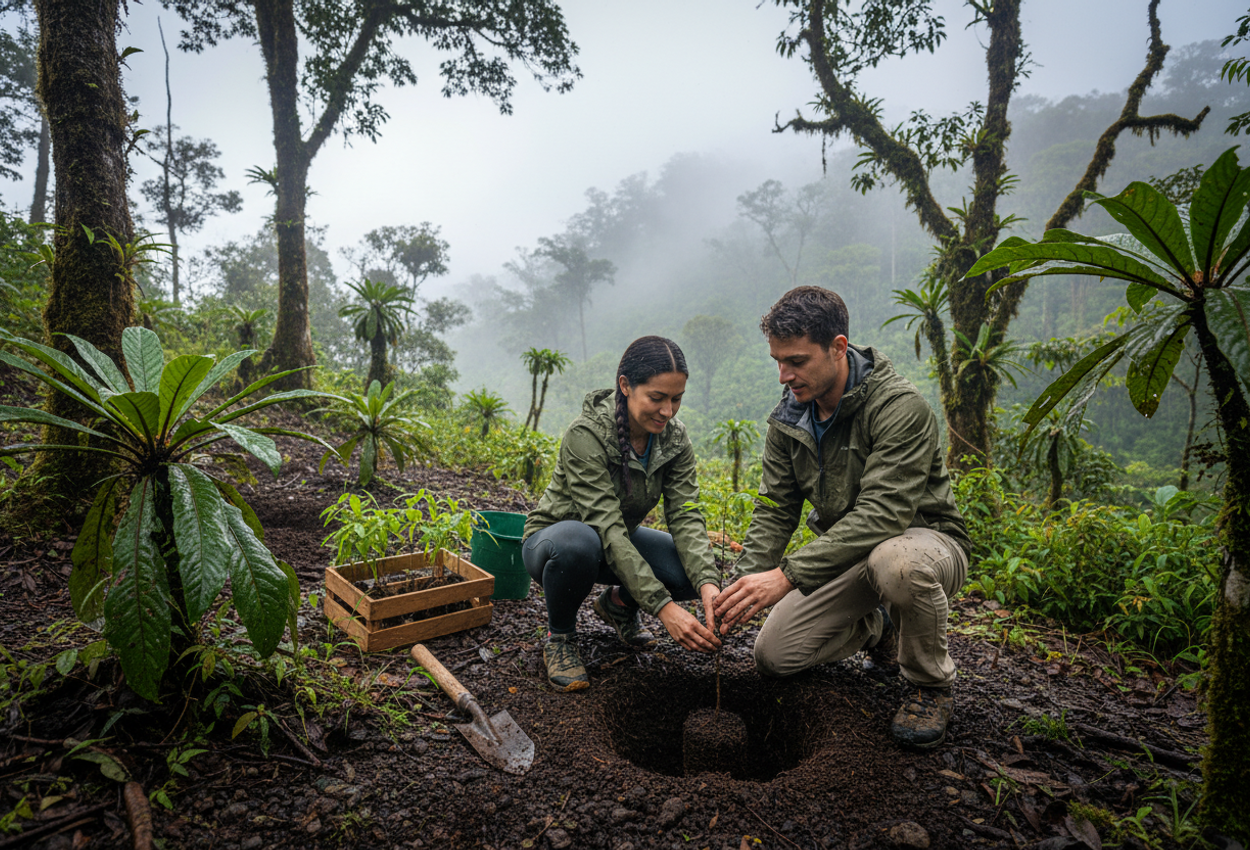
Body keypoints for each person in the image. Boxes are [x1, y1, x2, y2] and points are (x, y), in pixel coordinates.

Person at [713, 286, 971, 748]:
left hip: (924, 544)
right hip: (849, 555)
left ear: (838, 347)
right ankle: (880, 627)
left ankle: (930, 687)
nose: (783, 375)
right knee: (775, 656)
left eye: (796, 361)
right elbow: (775, 507)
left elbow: (883, 514)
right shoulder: (789, 419)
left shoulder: (899, 407)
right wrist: (742, 587)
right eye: (777, 361)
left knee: (898, 565)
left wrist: (787, 575)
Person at [522, 335, 722, 691]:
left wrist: (709, 587)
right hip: (558, 541)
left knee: (693, 570)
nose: (667, 411)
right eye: (657, 398)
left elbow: (687, 516)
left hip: (617, 542)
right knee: (578, 544)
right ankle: (562, 637)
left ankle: (617, 605)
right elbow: (607, 526)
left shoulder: (674, 440)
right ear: (625, 386)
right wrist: (663, 608)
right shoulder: (587, 435)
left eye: (676, 399)